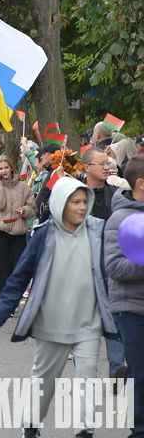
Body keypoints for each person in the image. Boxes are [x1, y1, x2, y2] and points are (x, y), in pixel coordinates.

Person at [0, 176, 117, 438]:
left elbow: (111, 270)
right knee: (44, 380)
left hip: (88, 322)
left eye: (84, 202)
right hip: (51, 322)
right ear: (60, 204)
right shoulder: (44, 235)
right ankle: (31, 425)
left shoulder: (98, 231)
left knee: (87, 377)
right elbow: (20, 275)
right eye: (75, 202)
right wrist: (1, 310)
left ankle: (84, 429)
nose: (82, 207)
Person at [104, 157, 144, 438]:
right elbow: (115, 267)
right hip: (132, 308)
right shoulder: (121, 219)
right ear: (140, 183)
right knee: (140, 372)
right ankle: (138, 428)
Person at [0, 155, 35, 296]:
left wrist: (25, 210)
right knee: (2, 270)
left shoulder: (24, 187)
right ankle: (3, 300)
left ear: (11, 169)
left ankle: (13, 299)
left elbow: (32, 209)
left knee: (17, 269)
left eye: (6, 167)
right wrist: (0, 185)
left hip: (18, 234)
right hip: (0, 233)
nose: (4, 171)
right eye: (0, 168)